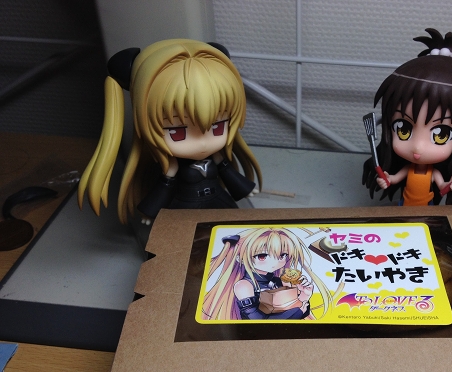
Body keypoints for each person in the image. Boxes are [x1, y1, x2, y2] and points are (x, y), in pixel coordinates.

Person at [78, 39, 261, 224]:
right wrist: (151, 212)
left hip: (218, 202)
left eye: (218, 127)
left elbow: (228, 173)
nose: (203, 142)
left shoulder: (217, 157)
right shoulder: (172, 166)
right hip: (186, 207)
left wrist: (245, 188)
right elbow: (163, 189)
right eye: (177, 132)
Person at [363, 28, 452, 206]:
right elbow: (394, 178)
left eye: (441, 135)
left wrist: (451, 184)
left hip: (427, 208)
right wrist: (387, 179)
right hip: (404, 205)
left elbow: (443, 186)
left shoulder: (434, 174)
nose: (418, 147)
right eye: (403, 129)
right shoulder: (408, 169)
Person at [202, 227, 333, 321]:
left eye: (282, 255)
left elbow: (293, 310)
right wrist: (298, 312)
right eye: (262, 256)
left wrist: (304, 296)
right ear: (239, 258)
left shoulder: (278, 281)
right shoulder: (244, 285)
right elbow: (257, 320)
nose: (275, 262)